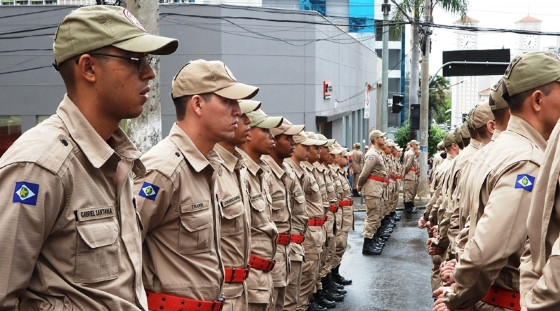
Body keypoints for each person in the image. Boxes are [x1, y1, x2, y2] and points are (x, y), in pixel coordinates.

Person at [0, 6, 178, 309]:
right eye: (135, 60)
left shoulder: (115, 160)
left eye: (147, 61)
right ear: (89, 68)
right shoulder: (41, 166)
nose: (149, 72)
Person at [433, 51, 560, 311]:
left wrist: (459, 278)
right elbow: (487, 250)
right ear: (537, 100)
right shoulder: (528, 160)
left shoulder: (494, 151)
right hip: (505, 300)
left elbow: (470, 225)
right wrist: (458, 296)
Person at [134, 59, 258, 311]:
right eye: (228, 101)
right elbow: (123, 252)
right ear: (198, 104)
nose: (238, 110)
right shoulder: (163, 168)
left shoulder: (207, 165)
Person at [213, 99, 261, 311]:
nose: (246, 121)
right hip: (221, 294)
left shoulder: (238, 169)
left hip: (242, 288)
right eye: (241, 115)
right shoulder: (167, 168)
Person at [238, 109, 283, 311]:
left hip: (265, 272)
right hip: (246, 279)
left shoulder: (261, 172)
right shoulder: (235, 172)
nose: (271, 136)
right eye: (265, 130)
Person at [356, 130, 388, 255]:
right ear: (375, 139)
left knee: (376, 215)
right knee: (372, 217)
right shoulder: (372, 155)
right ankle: (368, 245)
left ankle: (373, 240)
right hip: (372, 188)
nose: (383, 139)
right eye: (381, 137)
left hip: (377, 188)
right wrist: (359, 184)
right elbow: (365, 173)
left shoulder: (377, 153)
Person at [403, 139, 420, 213]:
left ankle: (410, 206)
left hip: (411, 175)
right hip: (410, 175)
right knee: (409, 192)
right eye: (416, 145)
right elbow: (408, 165)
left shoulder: (410, 153)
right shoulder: (411, 154)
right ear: (413, 145)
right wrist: (405, 173)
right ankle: (408, 208)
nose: (417, 146)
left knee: (411, 191)